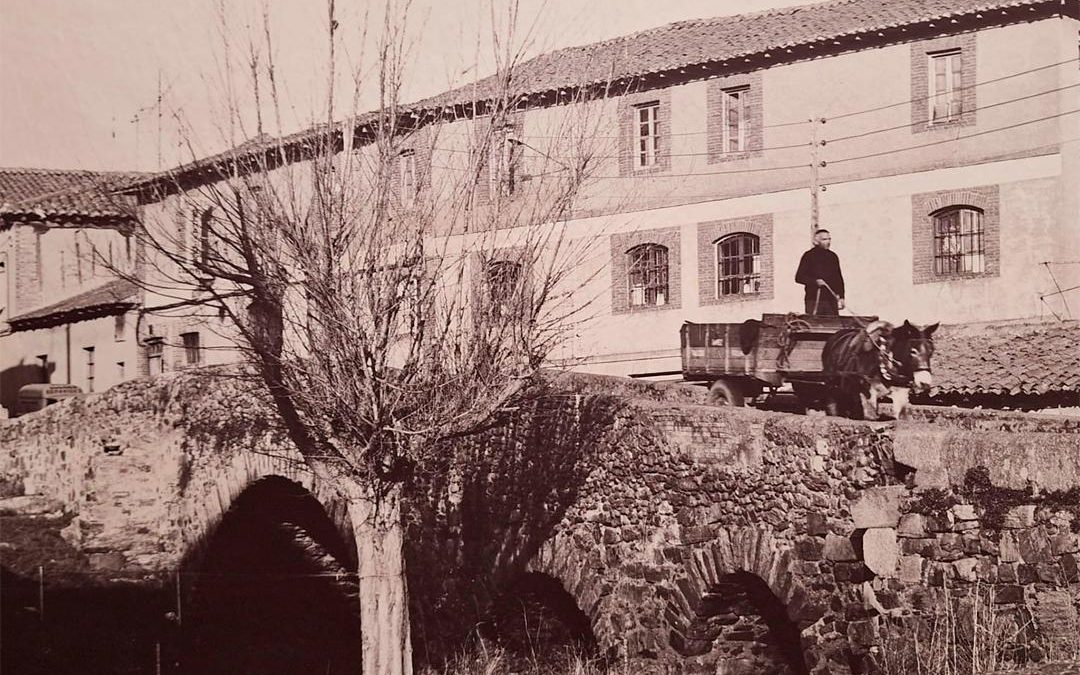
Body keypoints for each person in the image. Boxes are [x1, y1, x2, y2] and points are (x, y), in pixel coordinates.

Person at [795, 229, 845, 316]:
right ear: (816, 241)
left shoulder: (833, 257)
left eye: (829, 239)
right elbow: (799, 277)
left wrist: (841, 297)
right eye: (824, 239)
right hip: (813, 300)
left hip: (831, 300)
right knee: (815, 326)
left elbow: (838, 278)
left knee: (833, 326)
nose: (828, 242)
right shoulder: (808, 256)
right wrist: (815, 282)